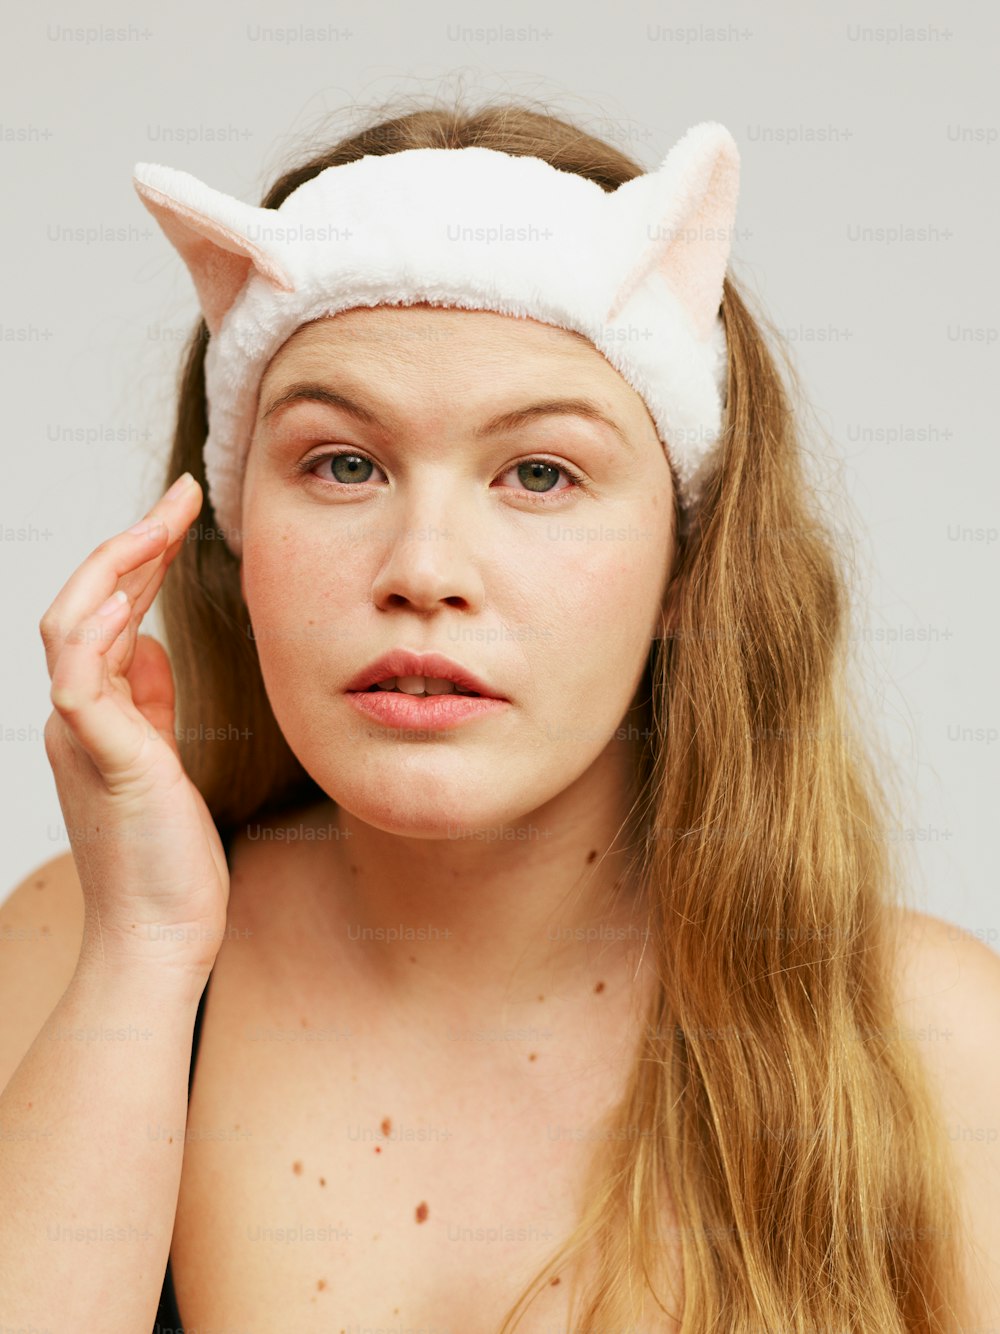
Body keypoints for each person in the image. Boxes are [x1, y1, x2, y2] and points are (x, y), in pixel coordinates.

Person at [1, 95, 998, 1334]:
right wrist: (144, 952)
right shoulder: (76, 951)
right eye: (342, 463)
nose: (422, 565)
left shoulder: (935, 1047)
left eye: (539, 473)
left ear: (687, 562)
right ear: (233, 532)